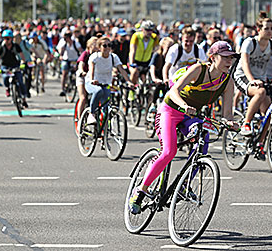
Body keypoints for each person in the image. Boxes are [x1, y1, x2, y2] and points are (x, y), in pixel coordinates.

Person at [128, 41, 238, 214]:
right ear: (213, 57)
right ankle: (141, 190)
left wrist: (230, 122)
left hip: (191, 116)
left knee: (203, 140)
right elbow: (173, 91)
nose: (229, 61)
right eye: (224, 57)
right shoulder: (198, 69)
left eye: (231, 57)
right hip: (170, 110)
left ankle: (185, 185)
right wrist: (184, 105)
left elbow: (227, 113)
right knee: (168, 152)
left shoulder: (228, 82)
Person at [233, 12, 272, 136]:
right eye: (266, 29)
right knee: (260, 92)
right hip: (243, 76)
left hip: (261, 79)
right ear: (258, 30)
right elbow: (244, 63)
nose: (270, 31)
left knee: (268, 114)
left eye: (271, 28)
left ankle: (260, 145)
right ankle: (246, 122)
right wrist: (251, 80)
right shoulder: (249, 42)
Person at [85, 37, 132, 124]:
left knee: (105, 107)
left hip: (105, 83)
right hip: (92, 83)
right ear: (99, 47)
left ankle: (102, 132)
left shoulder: (113, 57)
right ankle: (91, 114)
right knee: (98, 91)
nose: (107, 48)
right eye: (104, 45)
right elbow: (91, 70)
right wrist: (92, 80)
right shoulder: (95, 57)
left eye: (109, 45)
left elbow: (122, 70)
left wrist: (129, 82)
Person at [0, 29, 29, 107]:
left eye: (8, 38)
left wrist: (23, 63)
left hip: (15, 65)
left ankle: (24, 99)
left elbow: (22, 56)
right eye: (5, 38)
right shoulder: (1, 47)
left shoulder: (15, 46)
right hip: (5, 66)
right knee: (5, 78)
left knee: (20, 80)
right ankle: (7, 88)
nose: (6, 40)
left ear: (11, 38)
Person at [76, 37, 99, 122]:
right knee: (83, 98)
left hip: (93, 77)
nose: (96, 46)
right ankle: (79, 120)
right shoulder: (85, 54)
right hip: (83, 77)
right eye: (94, 44)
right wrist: (82, 71)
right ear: (90, 45)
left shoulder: (98, 55)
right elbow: (81, 64)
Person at [148, 37, 174, 108]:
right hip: (157, 77)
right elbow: (152, 67)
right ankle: (153, 104)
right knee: (158, 86)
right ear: (163, 46)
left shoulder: (173, 56)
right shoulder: (157, 55)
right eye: (168, 47)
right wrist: (154, 78)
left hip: (166, 78)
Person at [57, 30, 83, 96]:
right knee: (64, 73)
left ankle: (75, 83)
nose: (65, 39)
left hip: (74, 59)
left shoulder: (75, 43)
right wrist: (61, 55)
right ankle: (63, 89)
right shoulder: (64, 44)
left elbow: (81, 51)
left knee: (76, 71)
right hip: (66, 59)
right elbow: (61, 52)